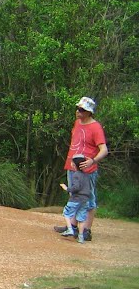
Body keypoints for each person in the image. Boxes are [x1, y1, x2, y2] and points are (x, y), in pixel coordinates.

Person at [54, 96, 108, 241]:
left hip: (87, 169)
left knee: (89, 199)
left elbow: (104, 149)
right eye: (78, 109)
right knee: (74, 196)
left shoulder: (95, 127)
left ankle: (87, 230)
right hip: (73, 166)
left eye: (82, 110)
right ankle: (72, 226)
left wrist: (93, 161)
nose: (78, 112)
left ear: (89, 112)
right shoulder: (77, 123)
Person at [61, 155, 92, 244]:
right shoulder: (87, 175)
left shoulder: (76, 175)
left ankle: (70, 229)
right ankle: (81, 237)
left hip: (75, 199)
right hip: (85, 200)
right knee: (81, 218)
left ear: (74, 165)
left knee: (66, 213)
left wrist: (67, 188)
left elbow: (76, 187)